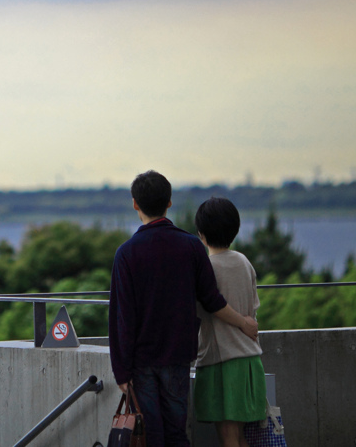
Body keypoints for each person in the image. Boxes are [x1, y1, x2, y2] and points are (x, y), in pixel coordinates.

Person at [109, 171, 259, 447]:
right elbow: (211, 299)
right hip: (178, 354)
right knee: (177, 432)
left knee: (151, 433)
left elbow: (122, 317)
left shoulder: (126, 253)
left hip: (141, 360)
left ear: (135, 204)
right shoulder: (191, 246)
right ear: (169, 202)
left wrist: (121, 371)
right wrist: (244, 322)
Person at [192, 197, 267, 447]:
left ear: (201, 234)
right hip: (248, 361)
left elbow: (204, 310)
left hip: (221, 362)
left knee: (228, 439)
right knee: (239, 437)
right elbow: (252, 312)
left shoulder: (206, 267)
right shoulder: (244, 262)